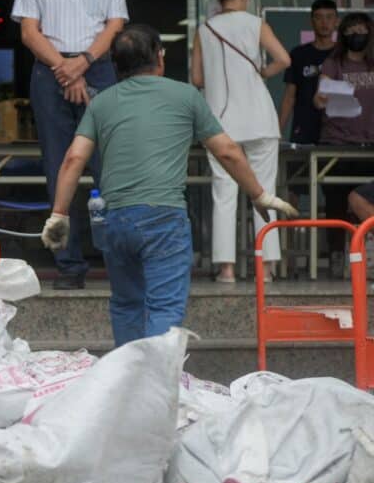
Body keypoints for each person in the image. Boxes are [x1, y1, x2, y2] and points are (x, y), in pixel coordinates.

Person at [41, 25, 298, 346]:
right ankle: (155, 383)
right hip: (164, 220)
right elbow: (228, 152)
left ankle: (130, 382)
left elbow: (73, 158)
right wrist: (259, 196)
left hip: (115, 220)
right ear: (159, 58)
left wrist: (60, 214)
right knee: (163, 307)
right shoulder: (186, 96)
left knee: (126, 304)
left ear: (116, 65)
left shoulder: (101, 103)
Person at [11, 0, 128, 290]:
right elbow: (29, 32)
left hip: (98, 69)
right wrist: (65, 67)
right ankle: (69, 267)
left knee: (107, 169)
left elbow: (115, 25)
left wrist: (84, 64)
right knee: (59, 166)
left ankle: (119, 264)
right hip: (51, 72)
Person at [191, 0, 291, 283]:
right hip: (260, 119)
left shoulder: (204, 29)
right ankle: (266, 267)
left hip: (221, 123)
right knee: (264, 191)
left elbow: (196, 79)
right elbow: (284, 60)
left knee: (224, 193)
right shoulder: (256, 24)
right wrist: (261, 73)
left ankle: (227, 269)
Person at [314, 12, 374, 232]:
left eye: (361, 31)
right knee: (336, 205)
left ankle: (365, 257)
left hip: (368, 146)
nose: (356, 35)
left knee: (365, 202)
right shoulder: (333, 64)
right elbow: (319, 97)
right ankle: (336, 257)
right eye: (351, 31)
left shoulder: (372, 63)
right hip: (337, 143)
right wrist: (322, 97)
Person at [279, 0, 338, 144]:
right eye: (319, 17)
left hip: (337, 130)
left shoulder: (343, 54)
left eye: (329, 17)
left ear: (337, 21)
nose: (324, 22)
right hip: (304, 128)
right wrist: (277, 132)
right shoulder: (299, 54)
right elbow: (289, 97)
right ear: (311, 21)